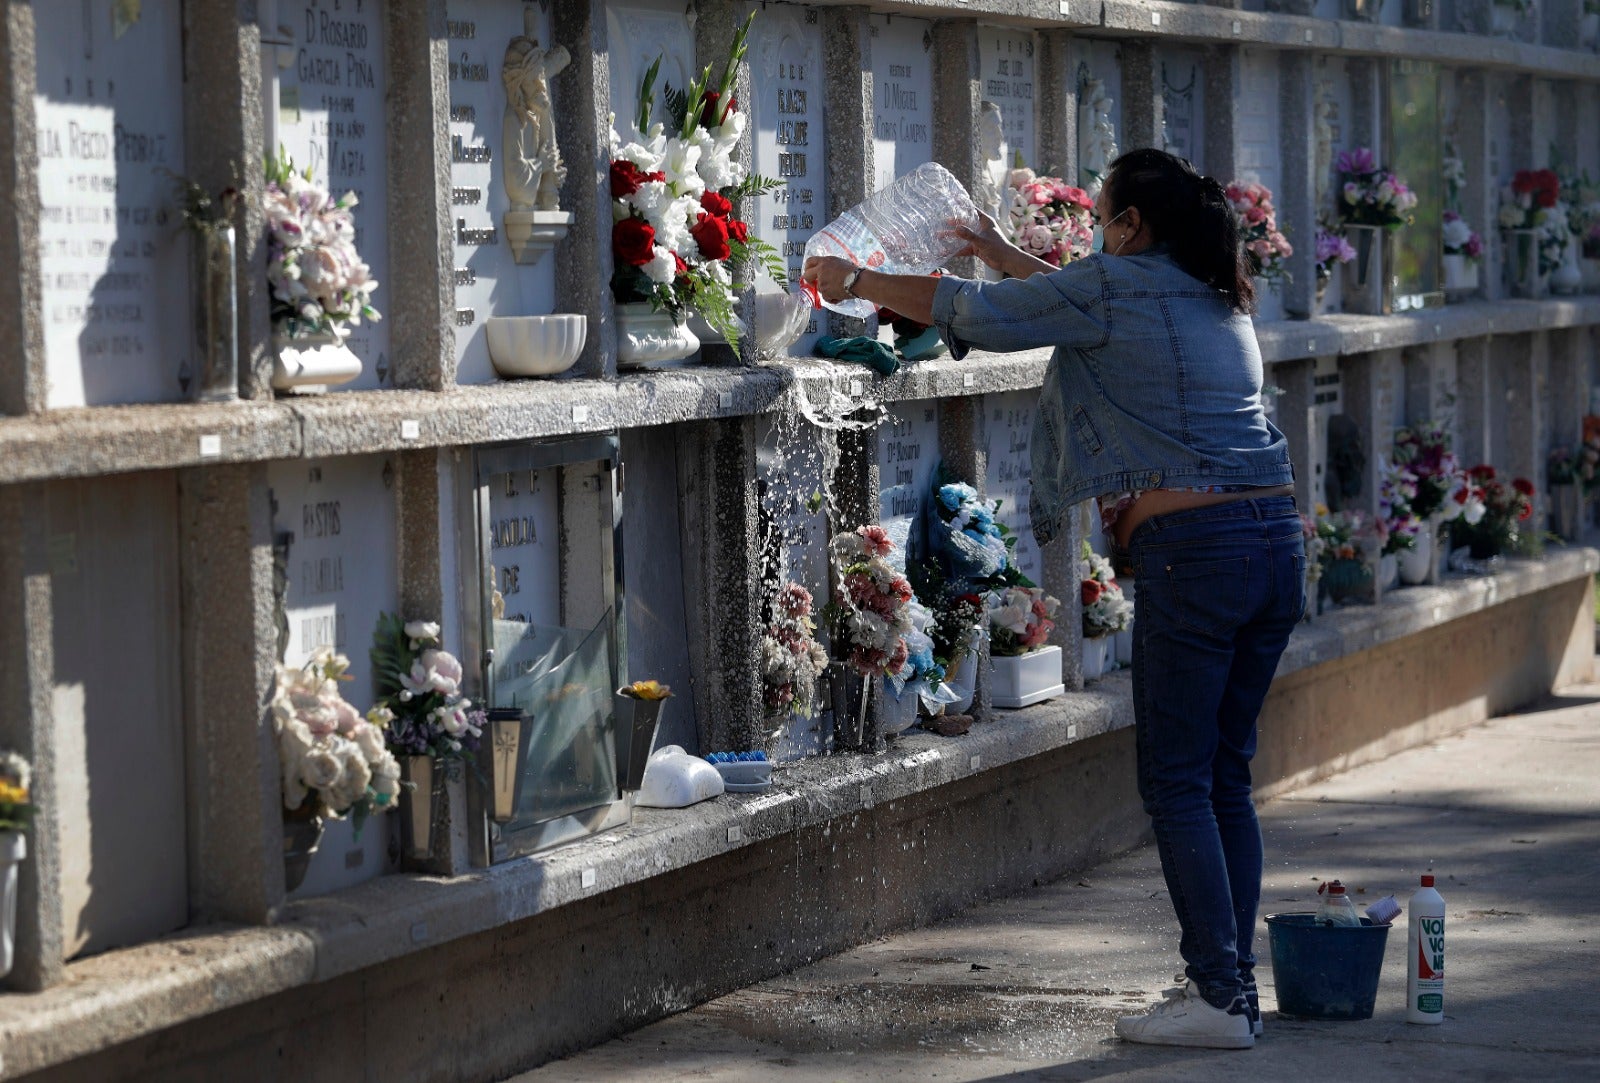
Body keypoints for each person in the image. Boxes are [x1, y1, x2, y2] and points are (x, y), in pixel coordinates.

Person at [803, 148, 1303, 1051]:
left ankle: (1219, 997)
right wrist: (997, 244)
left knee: (1178, 780)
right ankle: (1232, 988)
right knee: (1225, 774)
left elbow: (978, 316)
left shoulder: (1118, 287)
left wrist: (855, 275)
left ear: (1129, 226)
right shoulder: (1206, 289)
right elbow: (1073, 298)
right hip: (1274, 542)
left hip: (1198, 555)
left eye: (1103, 212)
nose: (1097, 234)